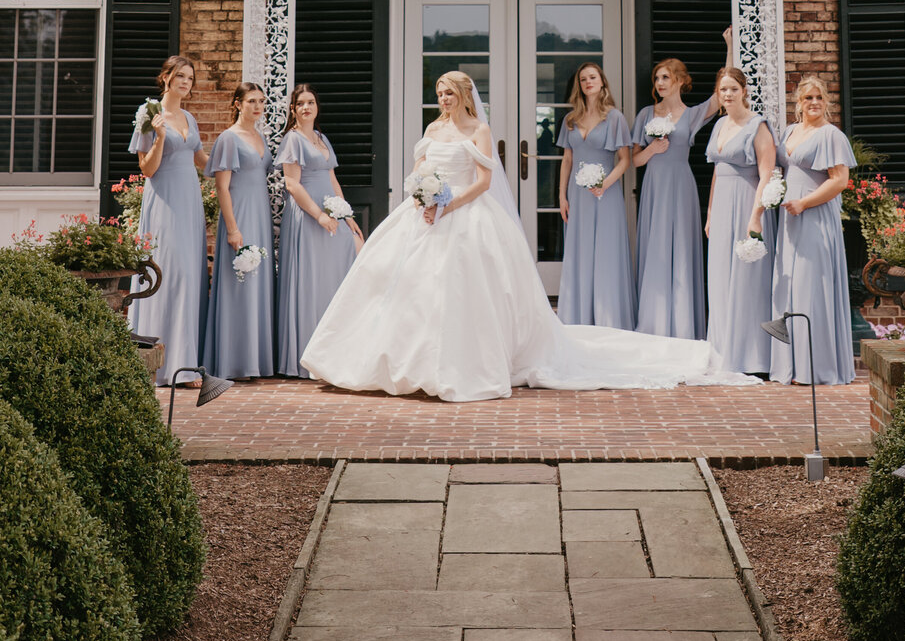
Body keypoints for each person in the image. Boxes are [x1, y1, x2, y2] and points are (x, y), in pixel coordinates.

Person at [300, 70, 759, 401]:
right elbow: (420, 169)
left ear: (463, 96)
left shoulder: (479, 129)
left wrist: (447, 204)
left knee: (464, 289)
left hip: (462, 213)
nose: (442, 99)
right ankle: (391, 361)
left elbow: (482, 182)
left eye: (448, 93)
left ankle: (462, 364)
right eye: (438, 93)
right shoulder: (433, 128)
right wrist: (420, 197)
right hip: (424, 215)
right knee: (404, 285)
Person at [769, 74, 856, 386]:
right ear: (799, 103)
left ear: (826, 102)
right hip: (790, 219)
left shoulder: (831, 135)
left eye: (820, 97)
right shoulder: (790, 131)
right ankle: (790, 366)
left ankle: (814, 367)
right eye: (809, 98)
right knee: (789, 286)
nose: (815, 103)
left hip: (815, 216)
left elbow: (840, 181)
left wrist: (804, 203)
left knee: (810, 287)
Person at [128, 53, 210, 385]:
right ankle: (156, 362)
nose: (186, 82)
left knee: (189, 277)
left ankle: (184, 362)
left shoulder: (189, 117)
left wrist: (238, 153)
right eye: (180, 76)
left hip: (189, 203)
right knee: (168, 274)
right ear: (166, 78)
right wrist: (160, 137)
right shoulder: (149, 113)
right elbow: (147, 169)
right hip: (164, 203)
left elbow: (202, 159)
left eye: (190, 78)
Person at [274, 83, 363, 378]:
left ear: (316, 106)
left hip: (333, 216)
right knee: (310, 283)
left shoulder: (322, 138)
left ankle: (334, 353)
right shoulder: (293, 139)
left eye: (310, 102)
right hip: (307, 218)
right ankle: (306, 358)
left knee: (335, 278)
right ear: (293, 109)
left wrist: (346, 214)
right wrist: (319, 216)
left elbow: (332, 178)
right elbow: (292, 184)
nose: (306, 107)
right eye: (301, 103)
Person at [631, 57, 720, 339]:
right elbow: (633, 160)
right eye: (657, 79)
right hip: (655, 186)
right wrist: (652, 149)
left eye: (665, 78)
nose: (659, 83)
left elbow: (719, 98)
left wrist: (730, 48)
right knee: (656, 246)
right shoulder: (646, 114)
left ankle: (682, 325)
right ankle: (653, 323)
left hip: (681, 185)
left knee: (681, 247)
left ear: (681, 81)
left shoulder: (692, 115)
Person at [704, 64, 779, 375]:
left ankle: (751, 357)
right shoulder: (719, 124)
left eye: (733, 88)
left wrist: (756, 216)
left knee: (747, 282)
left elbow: (766, 173)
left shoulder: (757, 125)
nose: (728, 94)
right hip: (721, 208)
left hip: (747, 203)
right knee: (720, 278)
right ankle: (723, 350)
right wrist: (708, 213)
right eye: (723, 89)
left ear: (744, 91)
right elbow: (716, 173)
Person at [203, 82, 275, 379]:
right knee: (238, 285)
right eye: (251, 101)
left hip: (261, 215)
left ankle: (255, 360)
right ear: (237, 104)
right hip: (240, 216)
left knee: (257, 286)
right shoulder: (229, 139)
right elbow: (221, 186)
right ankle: (235, 361)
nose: (257, 107)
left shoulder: (260, 136)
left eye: (261, 101)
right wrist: (232, 229)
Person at [557, 62, 635, 329]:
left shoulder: (614, 118)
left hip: (605, 194)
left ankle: (607, 318)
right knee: (579, 250)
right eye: (583, 79)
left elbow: (625, 160)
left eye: (592, 77)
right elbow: (567, 160)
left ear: (602, 82)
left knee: (605, 251)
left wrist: (605, 183)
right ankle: (577, 317)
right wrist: (562, 196)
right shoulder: (570, 120)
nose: (588, 82)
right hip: (578, 196)